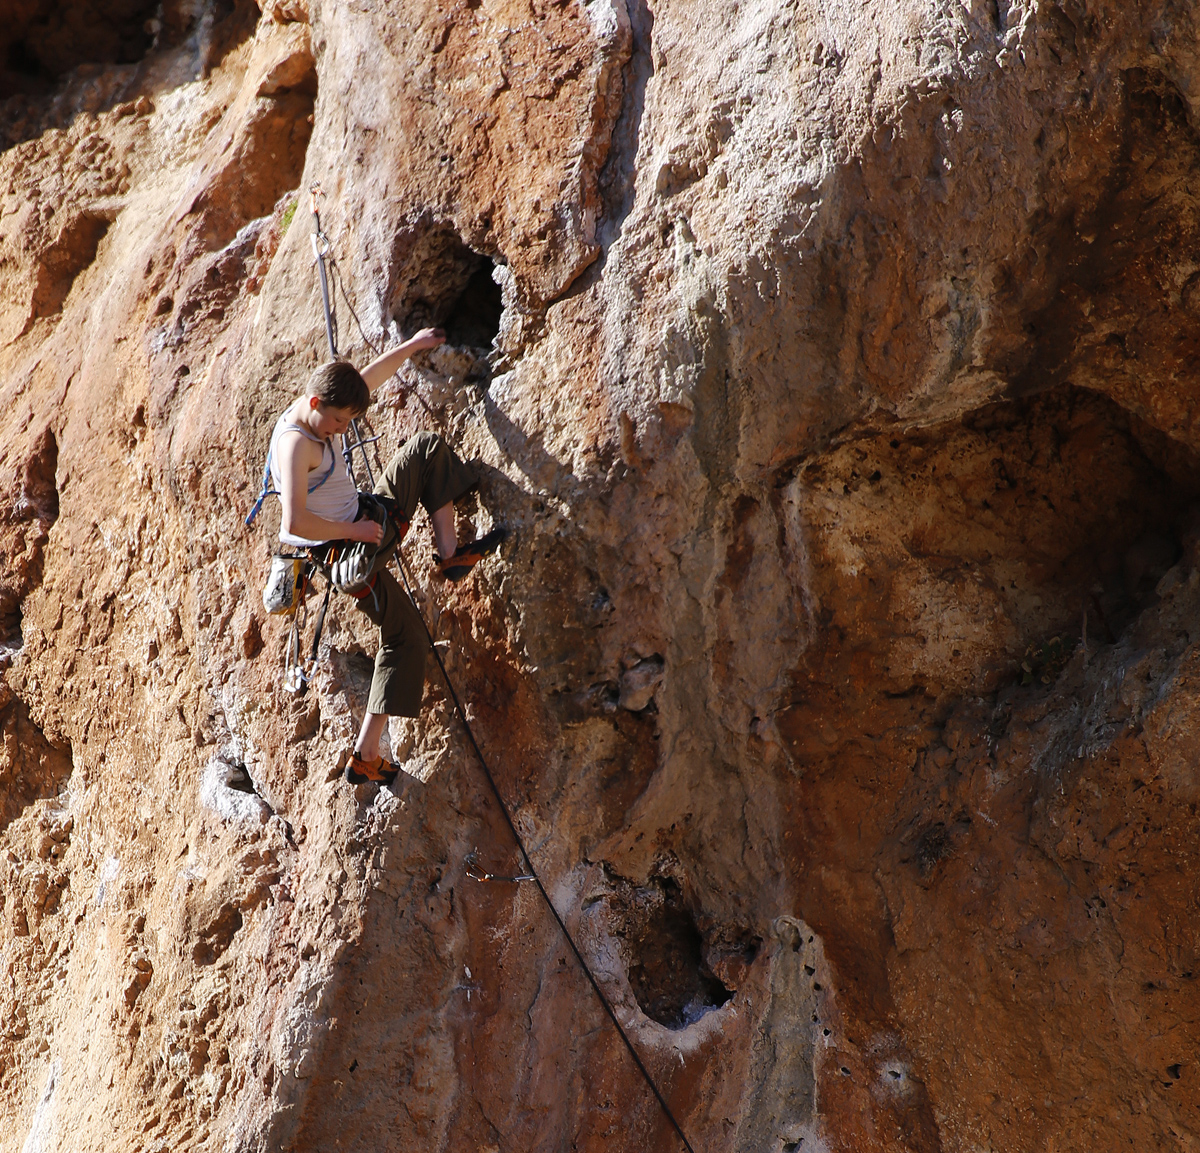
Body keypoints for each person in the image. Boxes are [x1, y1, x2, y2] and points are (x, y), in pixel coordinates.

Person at [270, 327, 505, 785]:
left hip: (360, 530)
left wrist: (412, 346)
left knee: (405, 636)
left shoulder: (323, 407)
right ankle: (450, 555)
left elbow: (366, 379)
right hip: (352, 548)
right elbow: (292, 524)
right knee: (421, 452)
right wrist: (352, 528)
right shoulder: (297, 444)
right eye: (339, 422)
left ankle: (366, 754)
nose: (343, 430)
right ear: (316, 405)